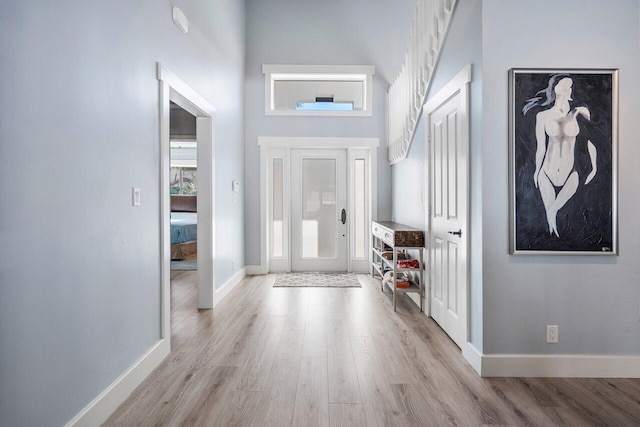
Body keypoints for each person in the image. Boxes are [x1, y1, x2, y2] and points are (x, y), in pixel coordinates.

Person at [522, 75, 597, 237]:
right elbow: (540, 147)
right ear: (555, 88)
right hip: (546, 173)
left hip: (571, 173)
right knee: (550, 223)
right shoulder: (542, 116)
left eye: (570, 86)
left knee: (553, 213)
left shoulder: (580, 113)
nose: (568, 89)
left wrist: (594, 167)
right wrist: (536, 170)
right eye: (565, 85)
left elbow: (591, 141)